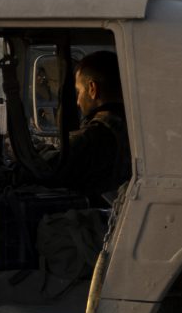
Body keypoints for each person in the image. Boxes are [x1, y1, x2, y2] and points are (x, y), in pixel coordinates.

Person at [53, 50, 130, 206]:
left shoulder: (96, 135)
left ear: (92, 89)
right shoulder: (134, 127)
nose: (77, 102)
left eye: (79, 91)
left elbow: (52, 168)